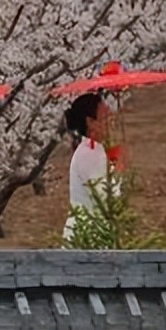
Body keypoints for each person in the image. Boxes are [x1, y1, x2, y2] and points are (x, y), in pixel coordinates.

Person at [62, 91, 117, 242]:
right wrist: (119, 168)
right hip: (87, 233)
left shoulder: (93, 150)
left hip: (93, 231)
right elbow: (105, 199)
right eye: (104, 117)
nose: (110, 120)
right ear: (90, 122)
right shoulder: (90, 154)